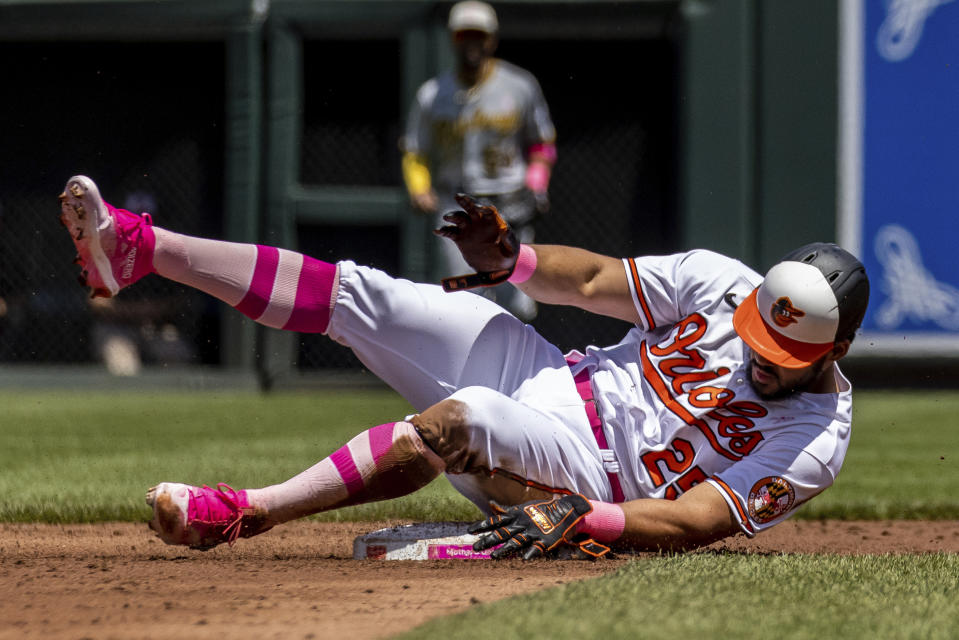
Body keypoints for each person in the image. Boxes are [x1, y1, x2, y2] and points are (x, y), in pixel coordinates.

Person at [59, 175, 869, 558]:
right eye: (758, 339)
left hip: (594, 475)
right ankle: (142, 248)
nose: (761, 363)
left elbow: (698, 521)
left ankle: (245, 512)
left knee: (465, 418)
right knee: (364, 295)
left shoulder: (816, 434)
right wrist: (514, 260)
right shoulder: (729, 285)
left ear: (833, 351)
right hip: (557, 375)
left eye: (783, 359)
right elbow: (587, 281)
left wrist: (587, 519)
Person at [401, 0, 556, 321]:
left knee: (517, 299)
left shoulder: (520, 85)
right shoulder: (433, 94)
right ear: (453, 39)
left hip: (511, 203)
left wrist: (537, 183)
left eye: (479, 35)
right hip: (458, 202)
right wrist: (419, 187)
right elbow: (415, 150)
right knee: (464, 297)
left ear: (492, 39)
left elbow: (542, 144)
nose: (472, 43)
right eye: (464, 35)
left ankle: (517, 369)